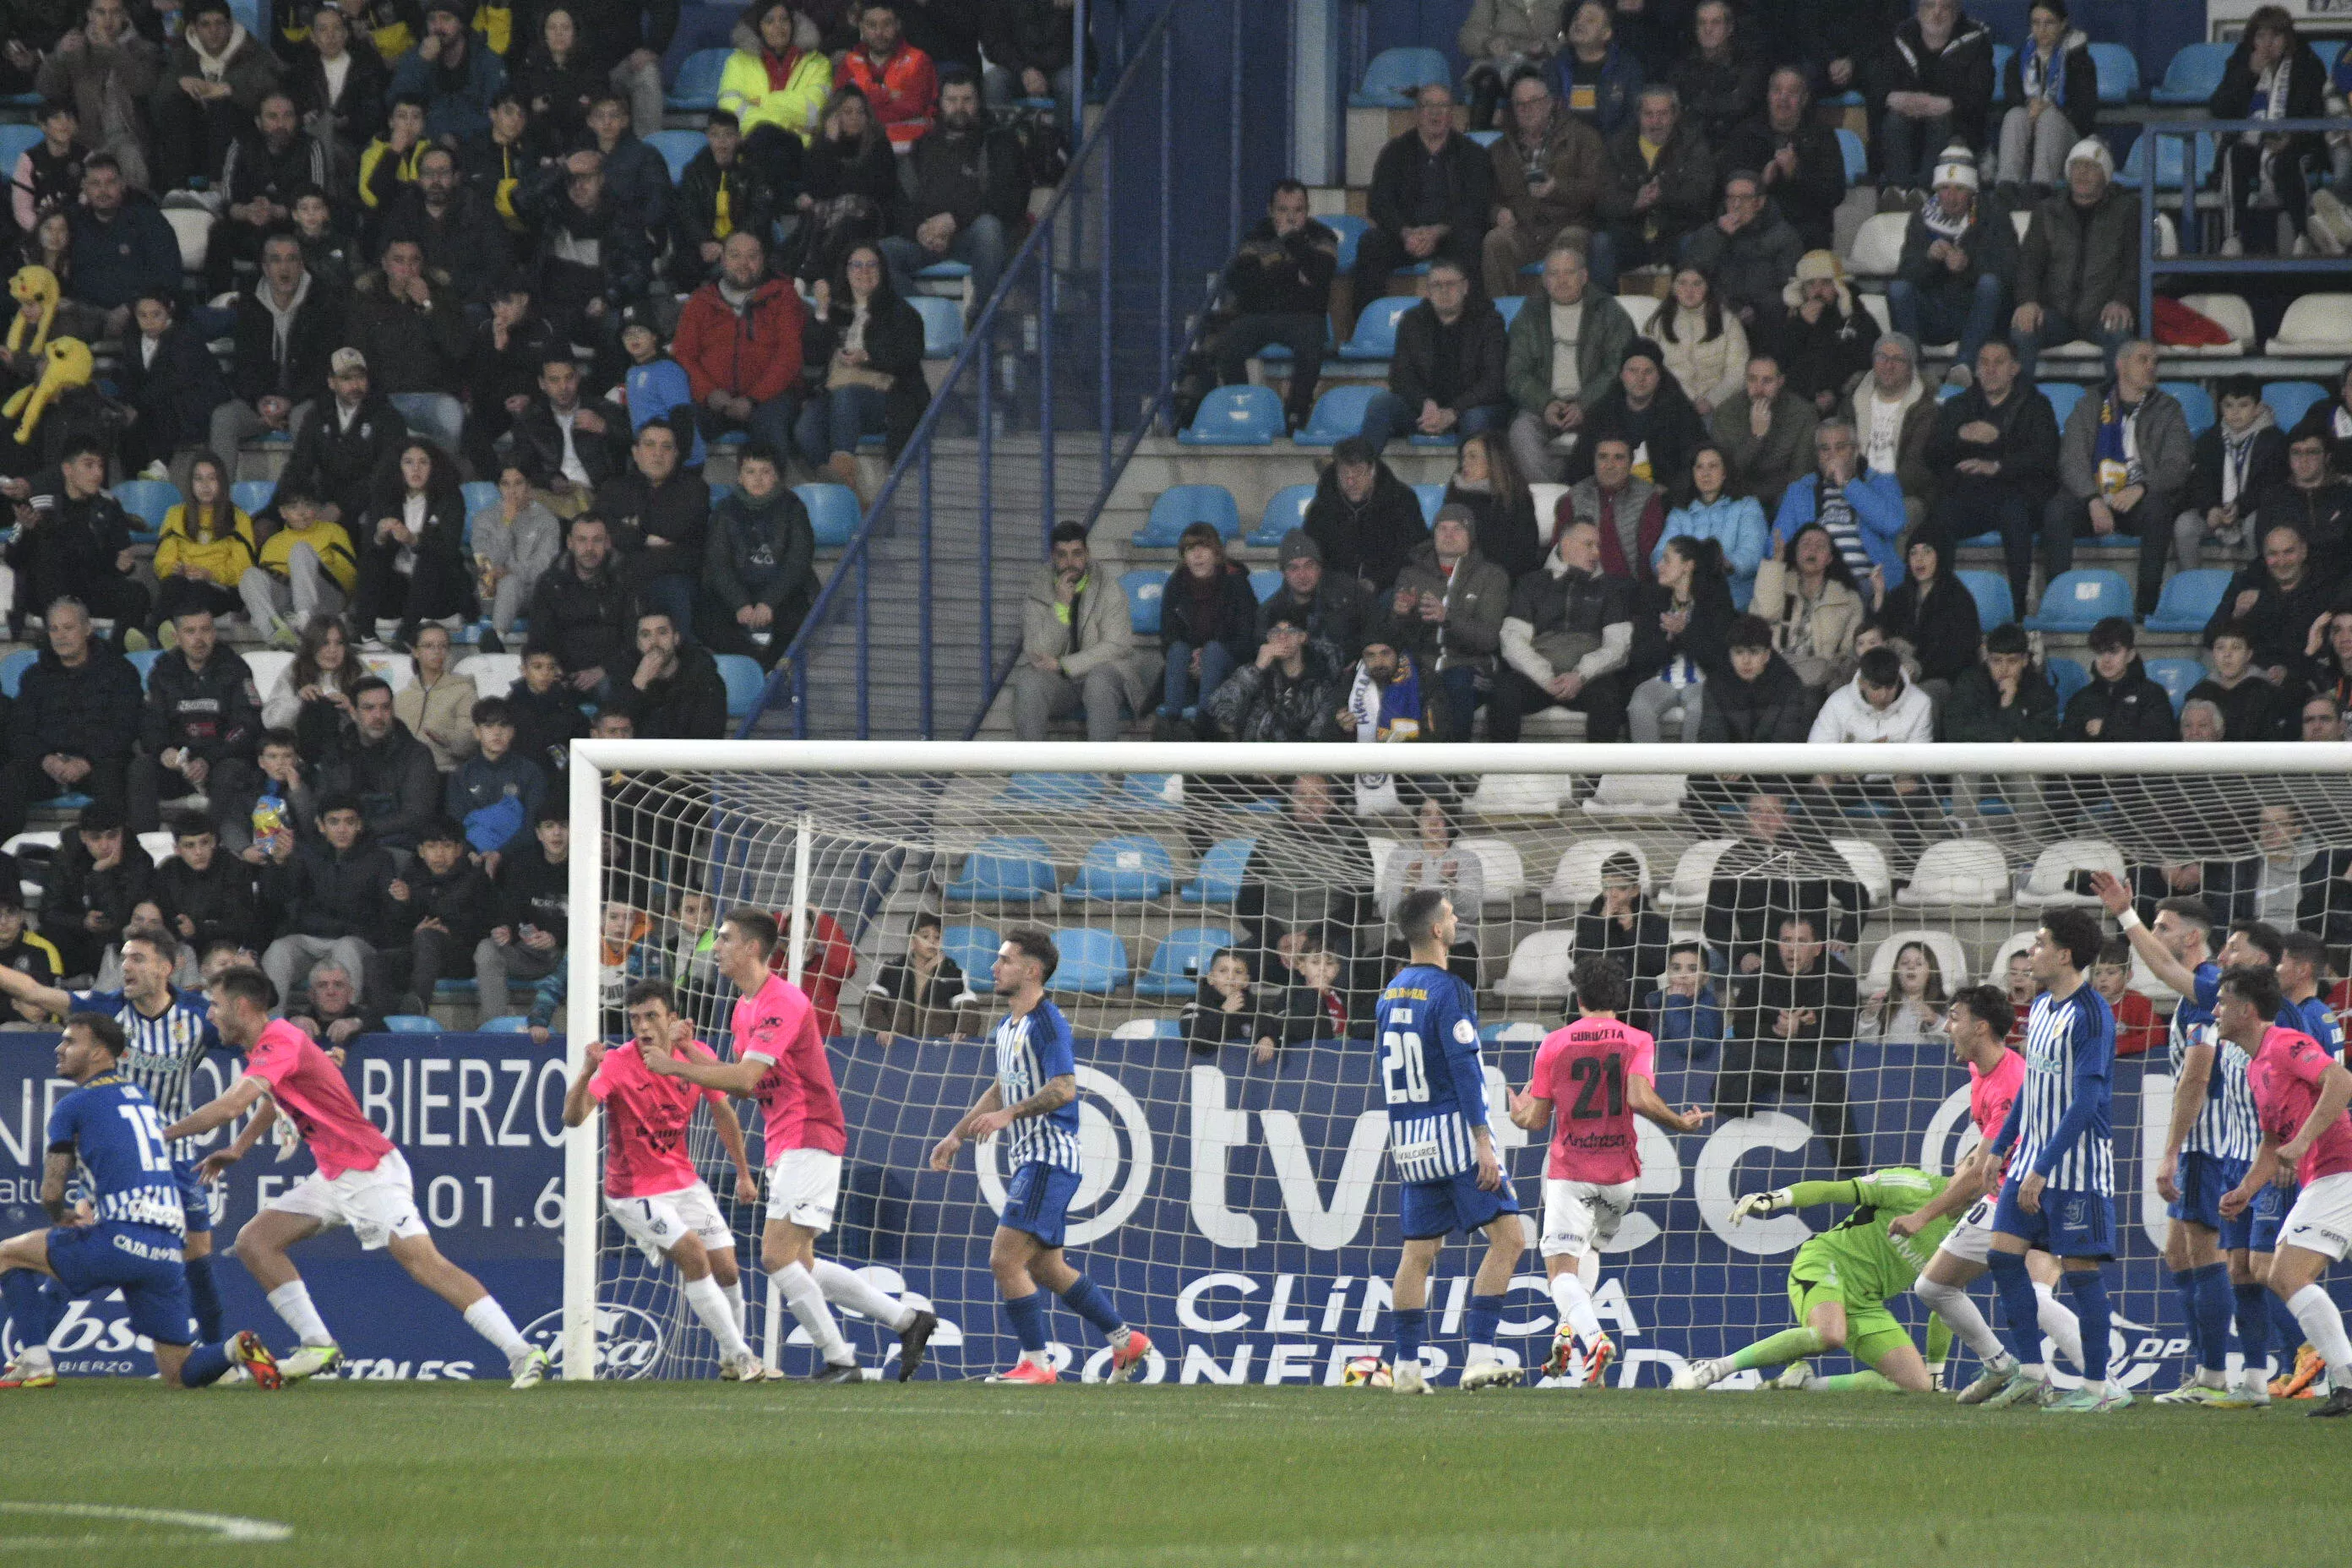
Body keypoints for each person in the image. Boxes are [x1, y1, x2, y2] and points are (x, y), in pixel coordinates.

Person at [164, 966, 547, 1386]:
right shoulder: (270, 1046)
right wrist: (239, 1147)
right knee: (256, 1242)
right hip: (332, 1174)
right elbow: (273, 1098)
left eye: (216, 1005)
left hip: (368, 1171)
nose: (211, 1014)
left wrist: (158, 1135)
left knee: (426, 1264)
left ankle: (522, 1352)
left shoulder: (281, 1040)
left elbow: (228, 1107)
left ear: (242, 1006)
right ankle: (318, 1345)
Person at [0, 1012, 281, 1391]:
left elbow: (51, 1189)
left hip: (118, 1238)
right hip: (166, 1249)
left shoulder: (74, 1105)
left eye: (70, 1041)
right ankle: (235, 1348)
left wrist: (60, 1214)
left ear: (100, 1053)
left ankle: (34, 1362)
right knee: (179, 1374)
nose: (59, 1048)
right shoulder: (141, 1097)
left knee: (6, 1254)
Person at [925, 925, 1145, 1385]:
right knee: (1046, 1267)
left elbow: (1064, 1089)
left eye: (1004, 960)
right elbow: (1004, 1084)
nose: (994, 966)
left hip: (1049, 1157)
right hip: (1034, 1158)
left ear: (1031, 970)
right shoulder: (1008, 1025)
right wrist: (957, 1135)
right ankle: (1126, 1341)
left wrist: (1010, 1116)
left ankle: (1038, 1365)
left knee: (1004, 1260)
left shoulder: (1048, 1022)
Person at [1511, 954, 1707, 1386]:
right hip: (1621, 1175)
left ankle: (1595, 1339)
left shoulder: (1555, 1043)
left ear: (1578, 997)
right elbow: (1639, 1097)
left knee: (1559, 1271)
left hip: (1571, 1170)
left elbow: (1537, 1119)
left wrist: (1517, 1114)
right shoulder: (1638, 1039)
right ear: (1619, 997)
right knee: (1591, 1252)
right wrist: (1680, 1122)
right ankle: (1568, 1334)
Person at [1367, 892, 1522, 1394]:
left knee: (1418, 1253)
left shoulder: (1388, 993)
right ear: (1436, 930)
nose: (1457, 920)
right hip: (1454, 1135)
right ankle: (1478, 1356)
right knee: (1510, 1240)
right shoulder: (1449, 989)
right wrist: (1483, 1141)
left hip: (1409, 1141)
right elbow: (1464, 1069)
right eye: (1452, 915)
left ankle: (1407, 1368)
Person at [1685, 1161, 1960, 1393]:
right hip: (1828, 1262)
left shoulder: (1969, 1230)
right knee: (1831, 1334)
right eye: (1971, 1165)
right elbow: (1830, 1190)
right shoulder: (1913, 1186)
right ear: (1960, 1167)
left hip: (1866, 1303)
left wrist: (1936, 1373)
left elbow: (1944, 1300)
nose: (1977, 1177)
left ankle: (1809, 1385)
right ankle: (1716, 1368)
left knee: (1916, 1387)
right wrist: (1774, 1199)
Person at [2214, 963, 2352, 1417]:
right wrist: (2246, 1190)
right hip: (2327, 1174)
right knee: (2281, 1274)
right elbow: (2272, 1142)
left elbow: (2341, 1080)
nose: (2215, 1010)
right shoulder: (2256, 1067)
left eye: (2223, 1004)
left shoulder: (2286, 1043)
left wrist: (2306, 1140)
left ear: (2248, 1011)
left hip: (2341, 1167)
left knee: (2285, 1274)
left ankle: (2347, 1380)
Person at [2045, 340, 2194, 616]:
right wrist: (2092, 499)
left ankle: (2145, 609)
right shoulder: (2091, 402)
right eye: (2143, 360)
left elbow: (2177, 464)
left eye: (2154, 362)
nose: (2151, 367)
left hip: (2139, 500)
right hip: (2095, 495)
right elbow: (2071, 459)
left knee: (2159, 509)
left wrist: (2142, 487)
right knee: (2057, 510)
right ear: (2120, 364)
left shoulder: (2167, 408)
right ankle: (2056, 603)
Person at [1720, 911, 1865, 1176]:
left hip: (1812, 1062)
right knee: (1741, 1053)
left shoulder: (1840, 978)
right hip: (1768, 1058)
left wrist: (1804, 1029)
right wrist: (1777, 1029)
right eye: (1786, 940)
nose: (1792, 949)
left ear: (1818, 948)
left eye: (1801, 941)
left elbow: (1845, 1031)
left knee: (1824, 1067)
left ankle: (1850, 1168)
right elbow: (1741, 1026)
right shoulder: (1762, 975)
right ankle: (1732, 1108)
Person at [1923, 337, 2059, 619]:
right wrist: (1959, 436)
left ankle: (2019, 608)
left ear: (2015, 368)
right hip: (1970, 496)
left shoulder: (2035, 405)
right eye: (1984, 362)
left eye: (1999, 362)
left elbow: (2045, 458)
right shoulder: (1958, 405)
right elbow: (1932, 455)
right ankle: (1940, 604)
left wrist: (1996, 463)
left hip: (2018, 495)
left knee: (2015, 515)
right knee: (1940, 517)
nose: (1991, 369)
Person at [0, 598, 142, 842]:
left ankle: (114, 859)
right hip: (47, 765)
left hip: (98, 763)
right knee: (12, 775)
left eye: (68, 628)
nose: (60, 636)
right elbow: (19, 731)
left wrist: (86, 761)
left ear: (88, 629)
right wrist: (45, 759)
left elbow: (124, 727)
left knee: (114, 775)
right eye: (54, 629)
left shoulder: (119, 672)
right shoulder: (35, 677)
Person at [880, 70, 1023, 312]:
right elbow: (902, 200)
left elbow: (1006, 199)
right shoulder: (923, 145)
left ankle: (980, 319)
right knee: (875, 255)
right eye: (952, 100)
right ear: (940, 104)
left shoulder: (1000, 141)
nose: (960, 107)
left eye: (967, 100)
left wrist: (954, 220)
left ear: (978, 102)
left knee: (989, 229)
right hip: (928, 240)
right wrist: (920, 228)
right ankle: (928, 316)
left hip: (972, 238)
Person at [1210, 180, 1340, 438]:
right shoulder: (1255, 237)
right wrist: (1296, 272)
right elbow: (1245, 287)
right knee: (1226, 346)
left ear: (1307, 211)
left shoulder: (1323, 236)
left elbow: (1321, 279)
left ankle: (1295, 416)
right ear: (1270, 210)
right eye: (1283, 210)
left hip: (1305, 317)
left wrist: (1291, 243)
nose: (1291, 218)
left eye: (1298, 210)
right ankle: (1247, 410)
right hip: (1260, 316)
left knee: (1312, 346)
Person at [1504, 238, 1636, 483]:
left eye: (1569, 273)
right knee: (1520, 433)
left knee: (1608, 436)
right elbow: (1515, 373)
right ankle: (1551, 499)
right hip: (1542, 406)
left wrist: (1584, 403)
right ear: (1544, 280)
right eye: (1554, 274)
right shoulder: (1529, 315)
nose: (1562, 280)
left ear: (1584, 276)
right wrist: (1546, 403)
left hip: (1596, 406)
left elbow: (1619, 368)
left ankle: (1578, 494)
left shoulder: (1609, 313)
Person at [796, 242, 927, 491]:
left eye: (871, 265)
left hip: (887, 398)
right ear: (846, 271)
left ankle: (845, 477)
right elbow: (811, 356)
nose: (864, 271)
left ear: (883, 270)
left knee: (847, 394)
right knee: (805, 430)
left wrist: (868, 356)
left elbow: (909, 354)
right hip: (835, 393)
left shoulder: (901, 312)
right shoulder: (835, 310)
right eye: (857, 265)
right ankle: (848, 491)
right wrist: (821, 311)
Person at [1494, 514, 1635, 741]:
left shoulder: (1610, 589)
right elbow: (1512, 639)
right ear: (1566, 544)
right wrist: (1546, 678)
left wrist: (1580, 675)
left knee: (1610, 696)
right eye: (1589, 545)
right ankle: (1497, 774)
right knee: (1504, 691)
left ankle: (1596, 777)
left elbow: (1618, 647)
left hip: (1588, 678)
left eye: (1598, 546)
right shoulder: (1532, 583)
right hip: (1538, 677)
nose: (1596, 553)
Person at [2011, 137, 2137, 381]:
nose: (2082, 173)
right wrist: (2028, 301)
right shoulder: (2047, 211)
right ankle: (2020, 406)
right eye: (2076, 166)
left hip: (2102, 313)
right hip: (2056, 314)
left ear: (2106, 175)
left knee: (2120, 333)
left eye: (2091, 167)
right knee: (2022, 329)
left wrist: (2122, 300)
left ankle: (2118, 409)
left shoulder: (2126, 211)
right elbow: (2029, 264)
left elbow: (2133, 264)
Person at [1354, 81, 1492, 305]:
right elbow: (1379, 203)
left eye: (1443, 107)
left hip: (1450, 235)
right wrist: (1406, 232)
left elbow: (1477, 205)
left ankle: (1471, 327)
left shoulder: (1472, 154)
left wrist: (1438, 231)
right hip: (1406, 236)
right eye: (1428, 106)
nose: (1435, 114)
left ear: (1452, 114)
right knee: (1371, 244)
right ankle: (1367, 323)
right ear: (1417, 113)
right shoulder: (1395, 151)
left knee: (1472, 242)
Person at [672, 230, 805, 459]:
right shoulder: (700, 301)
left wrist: (753, 399)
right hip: (713, 399)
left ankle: (771, 493)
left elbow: (789, 355)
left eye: (752, 256)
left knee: (772, 431)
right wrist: (709, 393)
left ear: (763, 260)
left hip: (769, 399)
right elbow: (684, 355)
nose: (744, 263)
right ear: (722, 260)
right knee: (680, 425)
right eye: (735, 255)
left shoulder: (783, 296)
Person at [132, 604, 259, 836]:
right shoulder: (162, 671)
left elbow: (246, 725)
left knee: (232, 771)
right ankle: (146, 844)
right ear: (176, 637)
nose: (199, 639)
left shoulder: (235, 668)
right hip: (178, 766)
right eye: (190, 632)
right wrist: (164, 751)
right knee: (141, 767)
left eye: (205, 630)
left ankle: (213, 841)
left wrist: (208, 760)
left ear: (214, 633)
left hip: (220, 762)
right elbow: (151, 722)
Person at [1358, 259, 1508, 456]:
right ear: (1428, 291)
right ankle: (1360, 469)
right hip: (1426, 411)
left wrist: (1454, 411)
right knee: (1381, 404)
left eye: (1451, 284)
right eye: (1437, 285)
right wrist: (1425, 403)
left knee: (1476, 419)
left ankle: (1467, 483)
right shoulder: (1412, 320)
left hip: (1471, 408)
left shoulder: (1489, 321)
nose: (1444, 291)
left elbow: (1494, 381)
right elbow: (1401, 375)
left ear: (1465, 287)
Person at [257, 792, 397, 1001]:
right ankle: (272, 1026)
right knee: (278, 950)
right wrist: (278, 864)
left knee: (346, 949)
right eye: (334, 822)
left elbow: (390, 912)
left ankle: (346, 1023)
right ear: (321, 825)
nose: (342, 829)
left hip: (356, 940)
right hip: (308, 938)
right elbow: (276, 897)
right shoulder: (303, 854)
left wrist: (401, 899)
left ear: (360, 825)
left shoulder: (379, 859)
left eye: (350, 822)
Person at [1888, 149, 2014, 381]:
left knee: (1990, 283)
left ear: (1972, 191)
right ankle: (1913, 370)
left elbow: (2009, 271)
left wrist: (1969, 266)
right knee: (1898, 290)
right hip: (1934, 310)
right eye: (1945, 188)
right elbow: (1904, 272)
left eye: (1959, 189)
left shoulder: (1994, 215)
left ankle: (1964, 366)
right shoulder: (1922, 217)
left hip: (1974, 313)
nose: (1951, 197)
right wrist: (1929, 259)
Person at [2213, 8, 2329, 259]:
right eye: (2261, 36)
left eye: (2275, 36)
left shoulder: (2307, 64)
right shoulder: (2241, 62)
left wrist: (2292, 138)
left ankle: (2302, 236)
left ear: (2287, 39)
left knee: (2288, 162)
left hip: (2295, 145)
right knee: (2234, 155)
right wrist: (2249, 74)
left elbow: (2316, 115)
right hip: (2251, 143)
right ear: (2252, 41)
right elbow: (2220, 109)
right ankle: (2232, 237)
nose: (2267, 44)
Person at [1481, 68, 1607, 297]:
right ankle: (1500, 317)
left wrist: (1557, 189)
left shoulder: (1583, 138)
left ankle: (1545, 315)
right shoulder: (1498, 150)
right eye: (1520, 104)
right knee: (1495, 241)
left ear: (1550, 103)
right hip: (1522, 230)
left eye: (1534, 102)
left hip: (1568, 224)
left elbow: (1599, 190)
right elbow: (1486, 198)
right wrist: (1497, 213)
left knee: (1572, 240)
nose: (1527, 109)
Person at [1391, 505, 1511, 743]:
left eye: (1457, 529)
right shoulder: (1410, 575)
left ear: (1471, 536)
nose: (1448, 534)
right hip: (1423, 665)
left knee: (1455, 684)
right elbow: (1396, 635)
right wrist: (1402, 614)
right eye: (1442, 528)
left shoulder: (1492, 576)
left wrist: (1447, 617)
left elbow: (1489, 638)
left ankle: (1456, 769)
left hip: (1470, 666)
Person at [8, 440, 147, 637]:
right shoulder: (41, 504)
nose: (98, 473)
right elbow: (12, 557)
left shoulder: (109, 505)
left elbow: (117, 563)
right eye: (89, 465)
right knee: (52, 554)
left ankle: (113, 654)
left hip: (87, 588)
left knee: (137, 594)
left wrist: (125, 566)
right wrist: (26, 531)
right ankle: (56, 647)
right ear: (67, 469)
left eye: (100, 466)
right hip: (48, 593)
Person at [701, 445, 820, 669]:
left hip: (783, 595)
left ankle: (776, 677)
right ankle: (755, 675)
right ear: (740, 476)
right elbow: (718, 563)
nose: (757, 479)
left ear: (776, 476)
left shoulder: (793, 508)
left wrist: (769, 602)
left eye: (765, 471)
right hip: (736, 595)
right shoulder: (725, 510)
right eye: (750, 471)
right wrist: (740, 604)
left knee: (797, 618)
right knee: (708, 620)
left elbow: (798, 560)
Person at [147, 0, 280, 192]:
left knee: (222, 106)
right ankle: (177, 190)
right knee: (176, 107)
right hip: (192, 136)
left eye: (219, 23)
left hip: (239, 134)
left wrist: (230, 89)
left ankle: (219, 187)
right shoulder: (182, 55)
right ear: (194, 28)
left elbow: (271, 87)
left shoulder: (252, 52)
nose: (213, 30)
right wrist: (179, 84)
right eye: (206, 24)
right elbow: (158, 101)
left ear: (230, 26)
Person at [593, 420, 709, 640]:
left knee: (671, 590)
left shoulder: (695, 489)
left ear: (676, 454)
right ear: (636, 453)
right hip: (623, 578)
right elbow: (598, 531)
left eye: (666, 447)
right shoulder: (613, 488)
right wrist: (644, 537)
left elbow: (676, 529)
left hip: (673, 579)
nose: (658, 453)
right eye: (650, 445)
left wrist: (629, 529)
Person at [1870, 0, 1995, 204]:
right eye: (1929, 6)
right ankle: (1899, 192)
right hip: (1909, 125)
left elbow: (1979, 96)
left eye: (1944, 7)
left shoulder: (1976, 40)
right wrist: (1893, 98)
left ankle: (1925, 192)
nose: (1936, 14)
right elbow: (1878, 86)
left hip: (1957, 126)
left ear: (1955, 13)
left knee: (1940, 121)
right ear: (1918, 11)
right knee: (1894, 120)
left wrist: (1945, 104)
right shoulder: (1900, 36)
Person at [31, 0, 161, 193]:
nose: (108, 20)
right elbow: (46, 89)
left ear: (125, 15)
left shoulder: (144, 48)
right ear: (90, 15)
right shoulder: (74, 47)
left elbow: (142, 86)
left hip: (130, 138)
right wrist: (58, 57)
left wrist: (113, 50)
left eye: (115, 12)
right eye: (101, 12)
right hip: (85, 139)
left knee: (131, 160)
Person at [1772, 417, 1905, 602]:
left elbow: (1893, 524)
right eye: (1825, 449)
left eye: (1841, 448)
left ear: (1856, 449)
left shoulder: (1881, 482)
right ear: (1817, 455)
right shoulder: (1800, 490)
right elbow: (1776, 546)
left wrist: (1848, 484)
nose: (1832, 455)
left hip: (1871, 584)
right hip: (1818, 585)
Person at [354, 438, 471, 645]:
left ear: (434, 466)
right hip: (398, 592)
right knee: (371, 559)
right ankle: (365, 633)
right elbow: (370, 549)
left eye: (423, 462)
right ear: (398, 467)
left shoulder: (450, 498)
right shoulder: (385, 497)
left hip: (439, 592)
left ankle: (405, 636)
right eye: (408, 462)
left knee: (429, 557)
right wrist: (380, 536)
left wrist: (414, 539)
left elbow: (448, 549)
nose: (415, 469)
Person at [276, 348, 409, 529]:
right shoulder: (317, 416)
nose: (355, 385)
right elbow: (298, 466)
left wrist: (342, 507)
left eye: (360, 377)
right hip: (327, 504)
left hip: (372, 507)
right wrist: (274, 512)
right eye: (346, 378)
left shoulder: (387, 417)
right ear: (331, 382)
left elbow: (386, 473)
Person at [1718, 68, 1847, 252]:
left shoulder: (1822, 135)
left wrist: (1796, 173)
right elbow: (1727, 183)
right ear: (1768, 96)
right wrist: (1761, 183)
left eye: (1792, 92)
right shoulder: (1746, 133)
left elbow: (1834, 194)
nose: (1783, 99)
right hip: (1752, 224)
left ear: (1804, 99)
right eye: (1777, 91)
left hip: (1805, 227)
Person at [2175, 375, 2289, 574]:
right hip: (2219, 512)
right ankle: (2189, 583)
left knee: (2256, 523)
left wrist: (2240, 508)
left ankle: (2260, 581)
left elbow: (2271, 487)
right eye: (2229, 406)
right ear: (2220, 408)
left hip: (2253, 510)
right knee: (2185, 524)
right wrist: (2210, 509)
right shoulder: (2210, 440)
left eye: (2243, 405)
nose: (2235, 413)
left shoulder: (2274, 440)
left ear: (2258, 407)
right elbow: (2200, 481)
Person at [1595, 84, 1712, 278]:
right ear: (1638, 115)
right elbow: (1603, 199)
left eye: (1663, 114)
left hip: (1675, 233)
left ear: (1675, 115)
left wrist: (1663, 195)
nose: (1655, 122)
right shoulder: (1618, 145)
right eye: (1649, 114)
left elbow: (1701, 193)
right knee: (1601, 243)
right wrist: (1635, 202)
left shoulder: (1692, 144)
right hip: (1631, 234)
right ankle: (1605, 307)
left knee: (1695, 241)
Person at [378, 143, 511, 312]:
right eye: (428, 173)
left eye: (443, 172)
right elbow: (386, 259)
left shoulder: (479, 211)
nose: (435, 180)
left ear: (456, 177)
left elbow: (499, 268)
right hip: (412, 298)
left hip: (466, 303)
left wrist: (450, 285)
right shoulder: (404, 212)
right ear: (419, 179)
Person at [1625, 531, 1730, 743]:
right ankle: (1649, 774)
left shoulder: (1715, 599)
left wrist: (1685, 633)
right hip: (1661, 679)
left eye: (1666, 560)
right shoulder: (1653, 598)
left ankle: (1688, 775)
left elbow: (1719, 658)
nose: (1659, 566)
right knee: (1638, 705)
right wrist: (1668, 639)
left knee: (1699, 710)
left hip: (1703, 683)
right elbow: (1639, 656)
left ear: (1687, 566)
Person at [117, 292, 235, 477]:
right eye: (143, 315)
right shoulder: (132, 340)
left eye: (156, 314)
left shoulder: (185, 337)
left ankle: (160, 466)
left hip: (196, 404)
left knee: (159, 407)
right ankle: (133, 481)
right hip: (156, 405)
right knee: (129, 427)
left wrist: (137, 406)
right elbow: (131, 378)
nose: (149, 321)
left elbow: (173, 380)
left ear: (169, 311)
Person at [791, 83, 900, 284]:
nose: (854, 118)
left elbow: (872, 189)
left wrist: (837, 187)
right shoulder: (821, 146)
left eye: (860, 112)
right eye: (847, 112)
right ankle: (789, 270)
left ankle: (811, 271)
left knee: (849, 207)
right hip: (828, 220)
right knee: (814, 210)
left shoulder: (879, 145)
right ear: (834, 116)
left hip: (870, 219)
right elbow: (818, 189)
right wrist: (829, 144)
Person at [721, 0, 833, 194]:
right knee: (765, 138)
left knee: (767, 141)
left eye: (784, 20)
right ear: (759, 27)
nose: (778, 27)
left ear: (793, 25)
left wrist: (763, 102)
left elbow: (815, 112)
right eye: (769, 21)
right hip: (754, 149)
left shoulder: (818, 63)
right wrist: (789, 121)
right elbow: (730, 114)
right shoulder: (736, 63)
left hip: (801, 150)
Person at [2208, 520, 2339, 681]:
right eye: (2273, 554)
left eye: (2289, 552)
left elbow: (2306, 640)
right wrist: (2235, 618)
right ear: (2264, 557)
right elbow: (2210, 635)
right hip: (2251, 677)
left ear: (2303, 552)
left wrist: (2264, 602)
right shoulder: (2246, 582)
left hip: (2306, 675)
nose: (2282, 562)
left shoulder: (2325, 586)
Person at [525, 513, 639, 699]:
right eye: (582, 540)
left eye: (597, 540)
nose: (589, 548)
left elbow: (633, 639)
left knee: (613, 690)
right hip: (562, 672)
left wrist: (604, 670)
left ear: (608, 542)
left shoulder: (625, 580)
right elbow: (539, 637)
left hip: (609, 674)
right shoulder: (551, 583)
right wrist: (555, 669)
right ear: (570, 543)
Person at [1574, 339, 1706, 491]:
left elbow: (1696, 463)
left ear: (1659, 376)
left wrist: (1671, 490)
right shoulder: (1602, 413)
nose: (1640, 378)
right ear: (1622, 374)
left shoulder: (1682, 414)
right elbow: (1580, 464)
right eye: (1633, 371)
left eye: (1648, 372)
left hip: (1662, 497)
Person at [1302, 437, 1429, 596]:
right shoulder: (1322, 506)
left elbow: (1413, 552)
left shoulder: (1401, 500)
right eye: (1344, 473)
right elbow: (1311, 554)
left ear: (1372, 470)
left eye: (1358, 472)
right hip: (1336, 593)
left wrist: (1376, 582)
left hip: (1389, 589)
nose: (1350, 481)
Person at [1995, 0, 2096, 197]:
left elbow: (2084, 113)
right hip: (2027, 142)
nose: (2042, 30)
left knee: (2050, 118)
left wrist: (2048, 107)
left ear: (2063, 24)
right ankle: (2006, 187)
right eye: (2036, 23)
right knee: (2015, 115)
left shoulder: (2080, 61)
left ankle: (2041, 189)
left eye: (2049, 23)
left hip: (2065, 142)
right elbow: (2011, 100)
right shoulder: (2017, 61)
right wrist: (2029, 104)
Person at [671, 108, 780, 291]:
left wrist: (732, 246)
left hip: (745, 243)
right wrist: (704, 241)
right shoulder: (694, 171)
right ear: (708, 137)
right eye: (716, 135)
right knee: (683, 265)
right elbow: (687, 213)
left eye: (728, 135)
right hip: (708, 245)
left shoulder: (755, 170)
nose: (722, 142)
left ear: (738, 137)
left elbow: (760, 213)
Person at [1681, 171, 1802, 333]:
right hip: (1717, 316)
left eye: (1744, 198)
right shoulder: (1710, 232)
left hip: (1766, 321)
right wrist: (1719, 235)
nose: (1736, 205)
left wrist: (1755, 310)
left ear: (1759, 202)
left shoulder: (1784, 236)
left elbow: (1789, 286)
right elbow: (1693, 273)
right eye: (1731, 198)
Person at [147, 455, 256, 633]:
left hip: (222, 589)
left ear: (222, 482)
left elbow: (243, 570)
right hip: (183, 583)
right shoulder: (175, 514)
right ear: (191, 483)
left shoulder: (239, 518)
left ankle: (165, 635)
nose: (205, 485)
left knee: (197, 589)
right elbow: (162, 561)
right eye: (199, 478)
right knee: (173, 584)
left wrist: (210, 574)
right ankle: (155, 637)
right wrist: (176, 569)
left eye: (212, 478)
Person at [1206, 609, 1344, 746]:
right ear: (1268, 638)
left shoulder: (1320, 686)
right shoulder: (1254, 675)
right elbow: (1218, 709)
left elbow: (1316, 737)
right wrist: (1257, 668)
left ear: (1303, 637)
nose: (1282, 637)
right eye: (1275, 632)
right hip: (1250, 760)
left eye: (1290, 631)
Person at [1770, 248, 1877, 420]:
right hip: (1797, 403)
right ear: (1802, 289)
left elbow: (1866, 363)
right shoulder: (1788, 319)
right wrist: (1801, 325)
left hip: (1845, 399)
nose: (1818, 291)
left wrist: (1835, 392)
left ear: (1838, 286)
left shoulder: (1859, 319)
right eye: (1811, 284)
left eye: (1825, 283)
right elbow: (1777, 362)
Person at [1875, 533, 1980, 703]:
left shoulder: (1958, 597)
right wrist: (1879, 594)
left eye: (1927, 552)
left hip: (1943, 678)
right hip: (1898, 674)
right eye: (1913, 553)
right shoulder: (1900, 595)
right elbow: (1880, 634)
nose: (1919, 559)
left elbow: (1958, 653)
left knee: (1919, 698)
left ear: (1940, 556)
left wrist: (1918, 669)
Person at [1658, 444, 1767, 607]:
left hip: (1734, 597)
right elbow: (1660, 554)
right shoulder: (1679, 513)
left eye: (1713, 466)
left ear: (1724, 473)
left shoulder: (1747, 506)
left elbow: (1753, 552)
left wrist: (1727, 563)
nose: (1706, 473)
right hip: (1684, 596)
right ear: (1692, 474)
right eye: (1699, 467)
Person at [1709, 354, 1817, 517]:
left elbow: (1801, 473)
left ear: (1780, 382)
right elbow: (1726, 474)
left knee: (1799, 495)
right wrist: (1756, 437)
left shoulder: (1802, 413)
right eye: (1752, 380)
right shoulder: (1726, 413)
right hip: (1740, 495)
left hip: (1783, 494)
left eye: (1767, 381)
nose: (1758, 389)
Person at [509, 352, 622, 508]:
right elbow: (522, 465)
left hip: (598, 495)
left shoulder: (602, 409)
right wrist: (549, 480)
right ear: (542, 384)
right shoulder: (530, 420)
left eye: (568, 378)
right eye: (554, 380)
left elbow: (633, 444)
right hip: (552, 496)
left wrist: (604, 427)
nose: (563, 387)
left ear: (578, 378)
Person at [1850, 333, 1938, 530]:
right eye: (1882, 357)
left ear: (1911, 367)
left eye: (1898, 360)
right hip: (1855, 486)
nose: (1889, 365)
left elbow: (1915, 469)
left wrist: (1870, 496)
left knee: (1894, 518)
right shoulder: (1852, 400)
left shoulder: (1926, 410)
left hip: (1904, 494)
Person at [387, 0, 507, 144]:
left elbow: (497, 111)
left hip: (477, 144)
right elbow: (396, 101)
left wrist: (459, 135)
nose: (438, 27)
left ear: (461, 24)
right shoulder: (416, 58)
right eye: (432, 19)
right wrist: (421, 63)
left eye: (446, 18)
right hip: (427, 142)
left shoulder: (485, 59)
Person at [471, 464, 559, 652]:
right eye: (505, 484)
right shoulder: (483, 519)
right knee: (505, 582)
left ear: (529, 486)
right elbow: (486, 566)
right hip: (489, 591)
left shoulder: (547, 520)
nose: (512, 491)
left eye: (518, 484)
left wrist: (512, 571)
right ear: (499, 488)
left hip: (531, 594)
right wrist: (506, 523)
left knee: (512, 581)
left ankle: (494, 642)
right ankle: (496, 639)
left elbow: (543, 567)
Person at [612, 607, 728, 741]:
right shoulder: (625, 675)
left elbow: (708, 737)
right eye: (645, 635)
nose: (654, 642)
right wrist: (637, 686)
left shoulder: (704, 678)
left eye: (662, 633)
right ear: (638, 643)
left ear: (676, 638)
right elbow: (615, 734)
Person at [1260, 529, 1371, 665]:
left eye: (1309, 565)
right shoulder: (1270, 612)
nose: (1302, 575)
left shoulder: (1349, 593)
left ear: (1320, 568)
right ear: (1283, 573)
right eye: (1294, 568)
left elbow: (1374, 633)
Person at [2060, 615, 2178, 742]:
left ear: (2130, 655)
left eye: (2113, 651)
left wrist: (2107, 729)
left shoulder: (2152, 695)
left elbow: (2161, 737)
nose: (2106, 660)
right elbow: (2066, 746)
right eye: (2100, 652)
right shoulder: (2081, 700)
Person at [867, 911, 977, 1044]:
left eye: (937, 937)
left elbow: (968, 1010)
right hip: (896, 1046)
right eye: (925, 936)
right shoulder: (891, 969)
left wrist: (962, 1031)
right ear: (912, 942)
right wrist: (882, 1029)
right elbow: (871, 1005)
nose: (932, 941)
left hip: (936, 1049)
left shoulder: (953, 972)